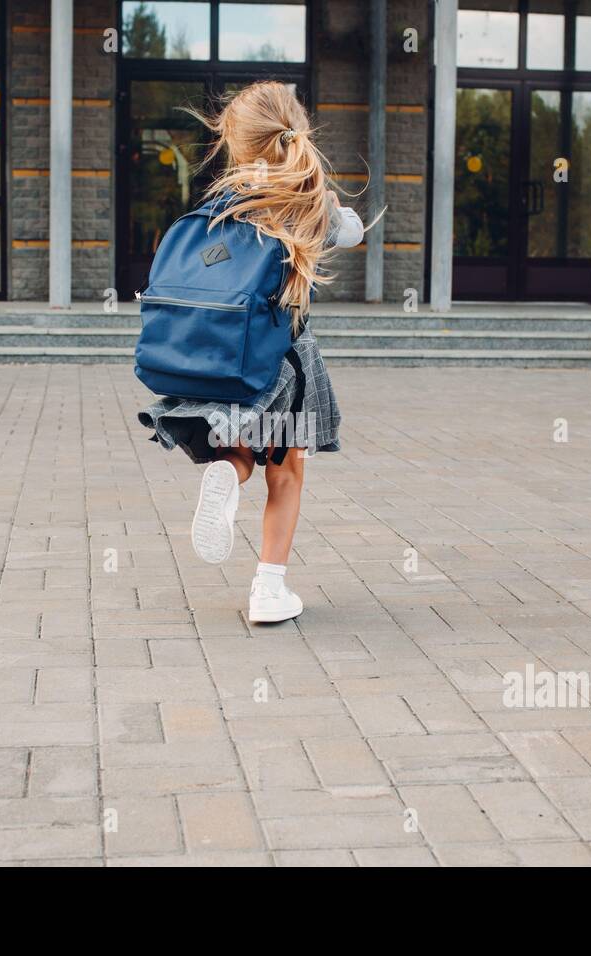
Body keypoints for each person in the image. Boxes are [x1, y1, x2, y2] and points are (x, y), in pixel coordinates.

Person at [137, 81, 370, 624]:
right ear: (299, 133)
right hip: (285, 363)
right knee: (286, 471)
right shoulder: (305, 204)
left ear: (233, 142)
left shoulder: (220, 206)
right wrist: (327, 205)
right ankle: (268, 591)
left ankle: (225, 475)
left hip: (225, 359)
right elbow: (354, 233)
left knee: (241, 451)